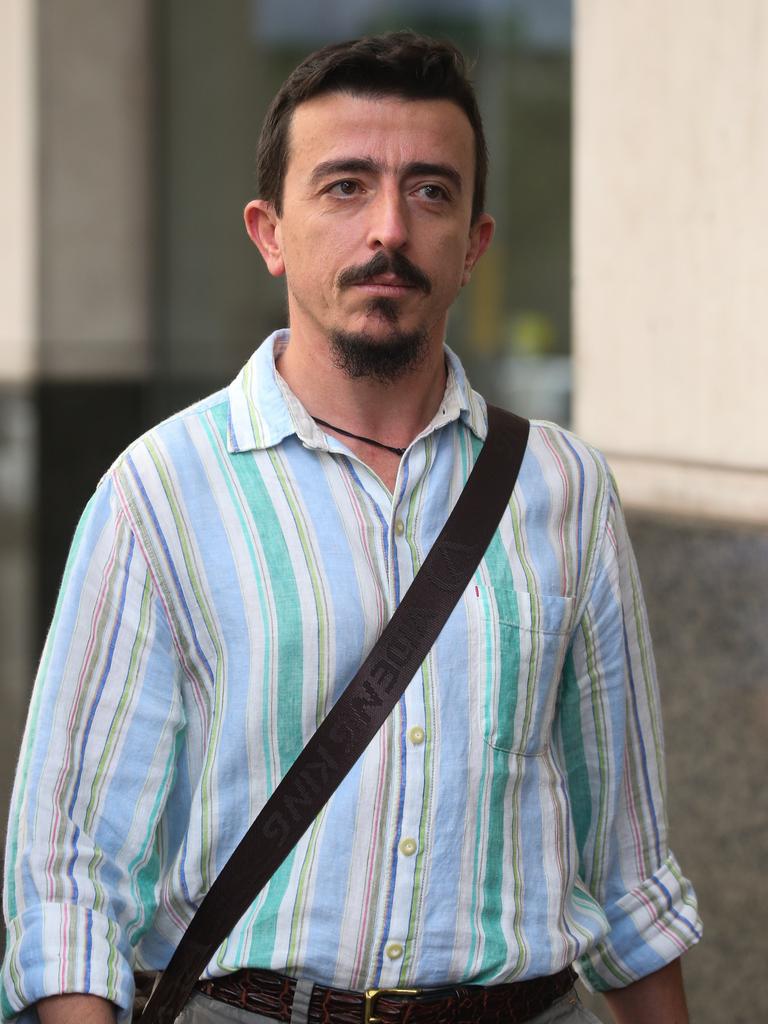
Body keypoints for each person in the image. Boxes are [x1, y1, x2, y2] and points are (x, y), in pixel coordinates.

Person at [2, 31, 701, 1024]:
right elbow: (66, 878)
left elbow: (627, 871)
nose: (389, 228)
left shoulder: (564, 487)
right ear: (269, 230)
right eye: (343, 186)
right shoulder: (160, 491)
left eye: (429, 191)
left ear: (474, 242)